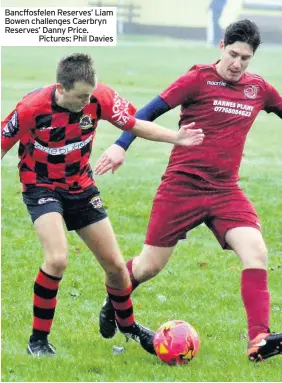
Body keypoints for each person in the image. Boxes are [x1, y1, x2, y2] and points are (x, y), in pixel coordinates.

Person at [96, 20, 282, 362]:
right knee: (149, 266)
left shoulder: (259, 90)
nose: (238, 64)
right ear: (221, 46)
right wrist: (121, 145)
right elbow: (147, 112)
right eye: (233, 54)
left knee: (256, 252)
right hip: (181, 187)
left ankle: (259, 339)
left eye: (246, 58)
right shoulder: (198, 79)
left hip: (225, 190)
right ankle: (115, 298)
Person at [1, 53, 204, 357]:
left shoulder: (100, 97)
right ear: (60, 87)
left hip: (81, 187)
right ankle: (38, 341)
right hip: (41, 186)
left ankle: (129, 326)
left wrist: (176, 137)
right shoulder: (32, 107)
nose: (86, 101)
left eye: (89, 94)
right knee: (57, 259)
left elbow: (135, 124)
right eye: (80, 96)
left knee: (117, 268)